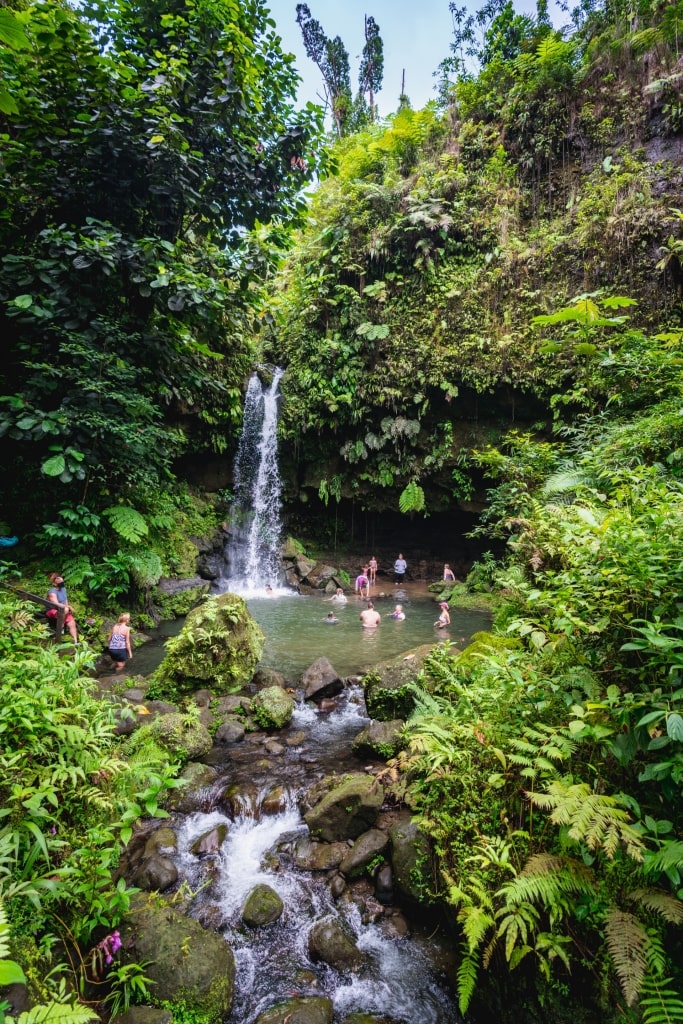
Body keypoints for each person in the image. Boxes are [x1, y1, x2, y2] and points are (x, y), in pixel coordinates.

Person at [45, 574, 78, 642]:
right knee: (65, 609)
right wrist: (68, 607)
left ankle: (75, 642)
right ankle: (61, 627)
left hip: (63, 611)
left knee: (72, 623)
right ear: (55, 583)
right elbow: (56, 604)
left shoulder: (63, 589)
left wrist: (68, 607)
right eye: (60, 582)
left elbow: (65, 601)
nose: (62, 583)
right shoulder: (52, 592)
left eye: (62, 582)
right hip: (52, 610)